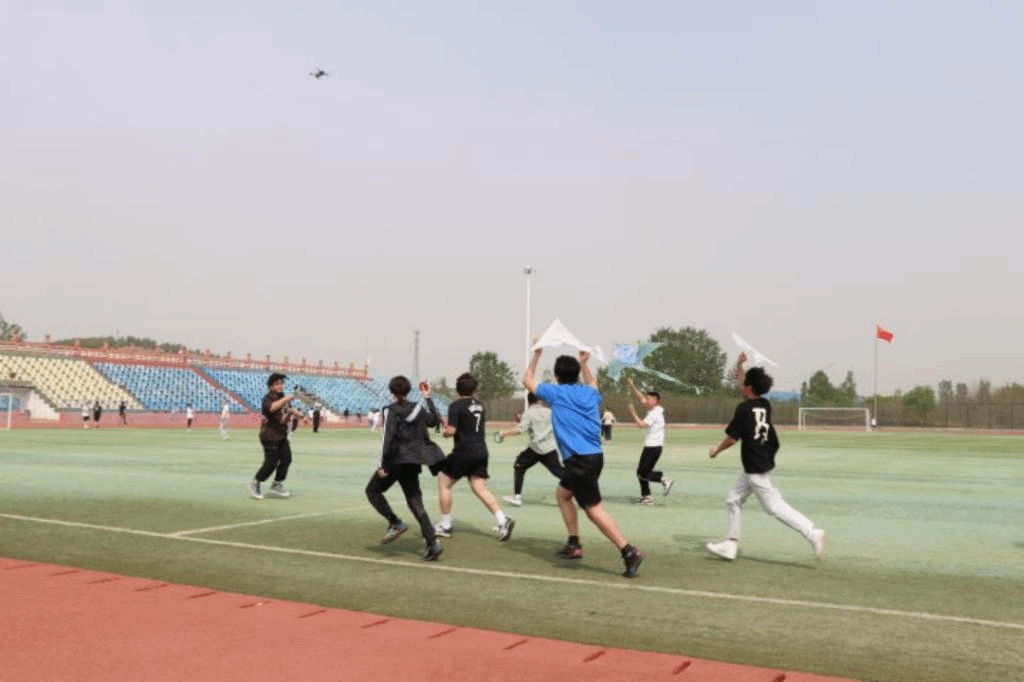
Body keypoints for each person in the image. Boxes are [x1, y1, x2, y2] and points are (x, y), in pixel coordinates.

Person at [524, 348, 645, 578]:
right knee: (563, 495)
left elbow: (527, 380)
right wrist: (585, 363)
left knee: (593, 510)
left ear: (557, 377)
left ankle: (629, 551)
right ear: (577, 374)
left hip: (579, 461)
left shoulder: (557, 393)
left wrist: (537, 355)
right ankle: (573, 544)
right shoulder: (589, 393)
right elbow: (593, 382)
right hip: (594, 456)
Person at [705, 352, 826, 562]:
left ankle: (812, 532)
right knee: (733, 499)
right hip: (760, 460)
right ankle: (730, 544)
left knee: (774, 507)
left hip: (755, 466)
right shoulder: (765, 405)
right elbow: (745, 382)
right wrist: (741, 365)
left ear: (749, 388)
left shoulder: (743, 409)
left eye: (744, 384)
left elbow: (732, 438)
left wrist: (716, 451)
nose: (740, 386)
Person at [366, 376, 444, 561]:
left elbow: (387, 438)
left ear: (391, 391)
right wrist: (427, 397)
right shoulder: (418, 408)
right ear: (409, 391)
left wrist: (381, 464)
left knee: (372, 491)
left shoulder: (390, 410)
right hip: (412, 462)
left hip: (394, 462)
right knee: (415, 502)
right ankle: (432, 543)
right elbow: (434, 421)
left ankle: (395, 522)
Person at [433, 372, 515, 541]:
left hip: (464, 451)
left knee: (444, 483)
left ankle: (445, 525)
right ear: (474, 389)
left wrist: (445, 433)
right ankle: (503, 520)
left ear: (457, 389)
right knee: (480, 487)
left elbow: (452, 430)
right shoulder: (480, 405)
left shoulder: (455, 405)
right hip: (481, 451)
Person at [497, 392, 564, 507]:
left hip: (536, 448)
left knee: (519, 465)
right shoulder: (550, 412)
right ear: (539, 400)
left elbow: (520, 430)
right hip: (550, 447)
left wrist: (503, 433)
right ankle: (582, 490)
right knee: (559, 472)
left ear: (528, 401)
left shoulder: (528, 413)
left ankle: (516, 496)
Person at [248, 373, 304, 500]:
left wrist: (301, 416)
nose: (281, 385)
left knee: (286, 459)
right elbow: (272, 408)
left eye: (282, 383)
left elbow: (289, 409)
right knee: (271, 463)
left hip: (281, 435)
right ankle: (256, 482)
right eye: (278, 383)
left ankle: (276, 484)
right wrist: (288, 398)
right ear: (271, 386)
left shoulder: (282, 397)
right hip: (269, 435)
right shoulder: (268, 398)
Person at [626, 377, 673, 506]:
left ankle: (664, 480)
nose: (646, 401)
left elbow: (641, 424)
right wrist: (632, 386)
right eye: (647, 399)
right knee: (641, 472)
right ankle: (646, 496)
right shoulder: (655, 409)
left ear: (656, 402)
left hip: (653, 448)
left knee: (643, 473)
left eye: (649, 399)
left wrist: (632, 412)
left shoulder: (654, 413)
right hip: (651, 447)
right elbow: (640, 397)